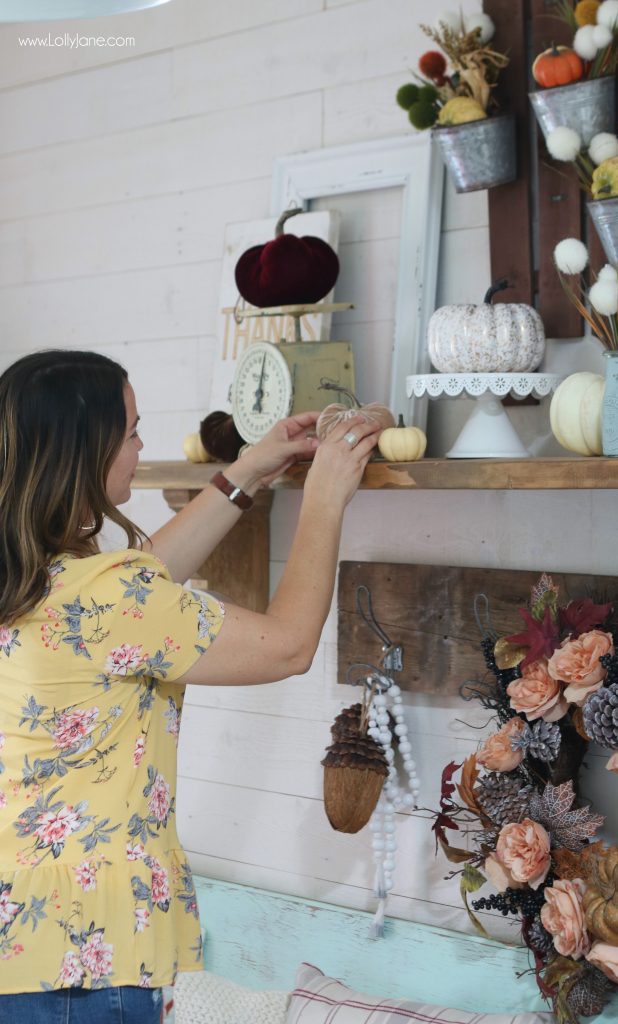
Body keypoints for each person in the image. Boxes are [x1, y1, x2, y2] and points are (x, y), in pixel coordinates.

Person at [0, 349, 380, 1024]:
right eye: (130, 430)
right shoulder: (109, 595)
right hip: (90, 959)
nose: (141, 444)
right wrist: (324, 497)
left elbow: (141, 582)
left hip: (24, 942)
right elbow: (288, 644)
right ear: (85, 450)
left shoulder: (33, 577)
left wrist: (246, 474)